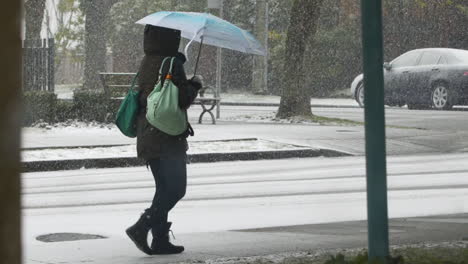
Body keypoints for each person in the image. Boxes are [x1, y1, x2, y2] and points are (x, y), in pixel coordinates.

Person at [126, 25, 202, 255]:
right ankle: (142, 226)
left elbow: (155, 93)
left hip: (148, 134)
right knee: (176, 189)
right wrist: (195, 84)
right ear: (171, 39)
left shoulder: (148, 60)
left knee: (163, 189)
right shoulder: (171, 63)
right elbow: (180, 100)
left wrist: (178, 67)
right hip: (167, 137)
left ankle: (160, 240)